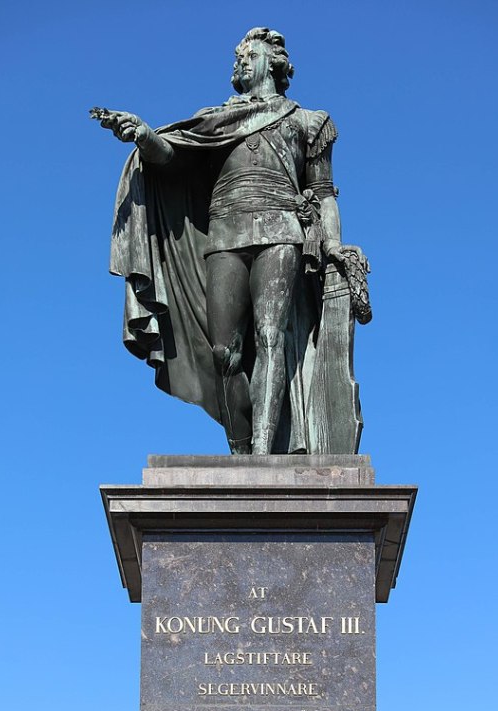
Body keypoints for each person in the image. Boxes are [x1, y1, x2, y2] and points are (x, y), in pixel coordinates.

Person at [94, 27, 369, 454]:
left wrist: (332, 243)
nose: (240, 62)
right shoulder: (217, 120)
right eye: (237, 57)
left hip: (281, 231)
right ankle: (241, 450)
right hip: (225, 231)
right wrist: (146, 137)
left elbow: (324, 193)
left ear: (274, 64)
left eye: (249, 55)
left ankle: (261, 451)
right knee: (224, 351)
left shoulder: (308, 122)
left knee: (271, 337)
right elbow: (172, 158)